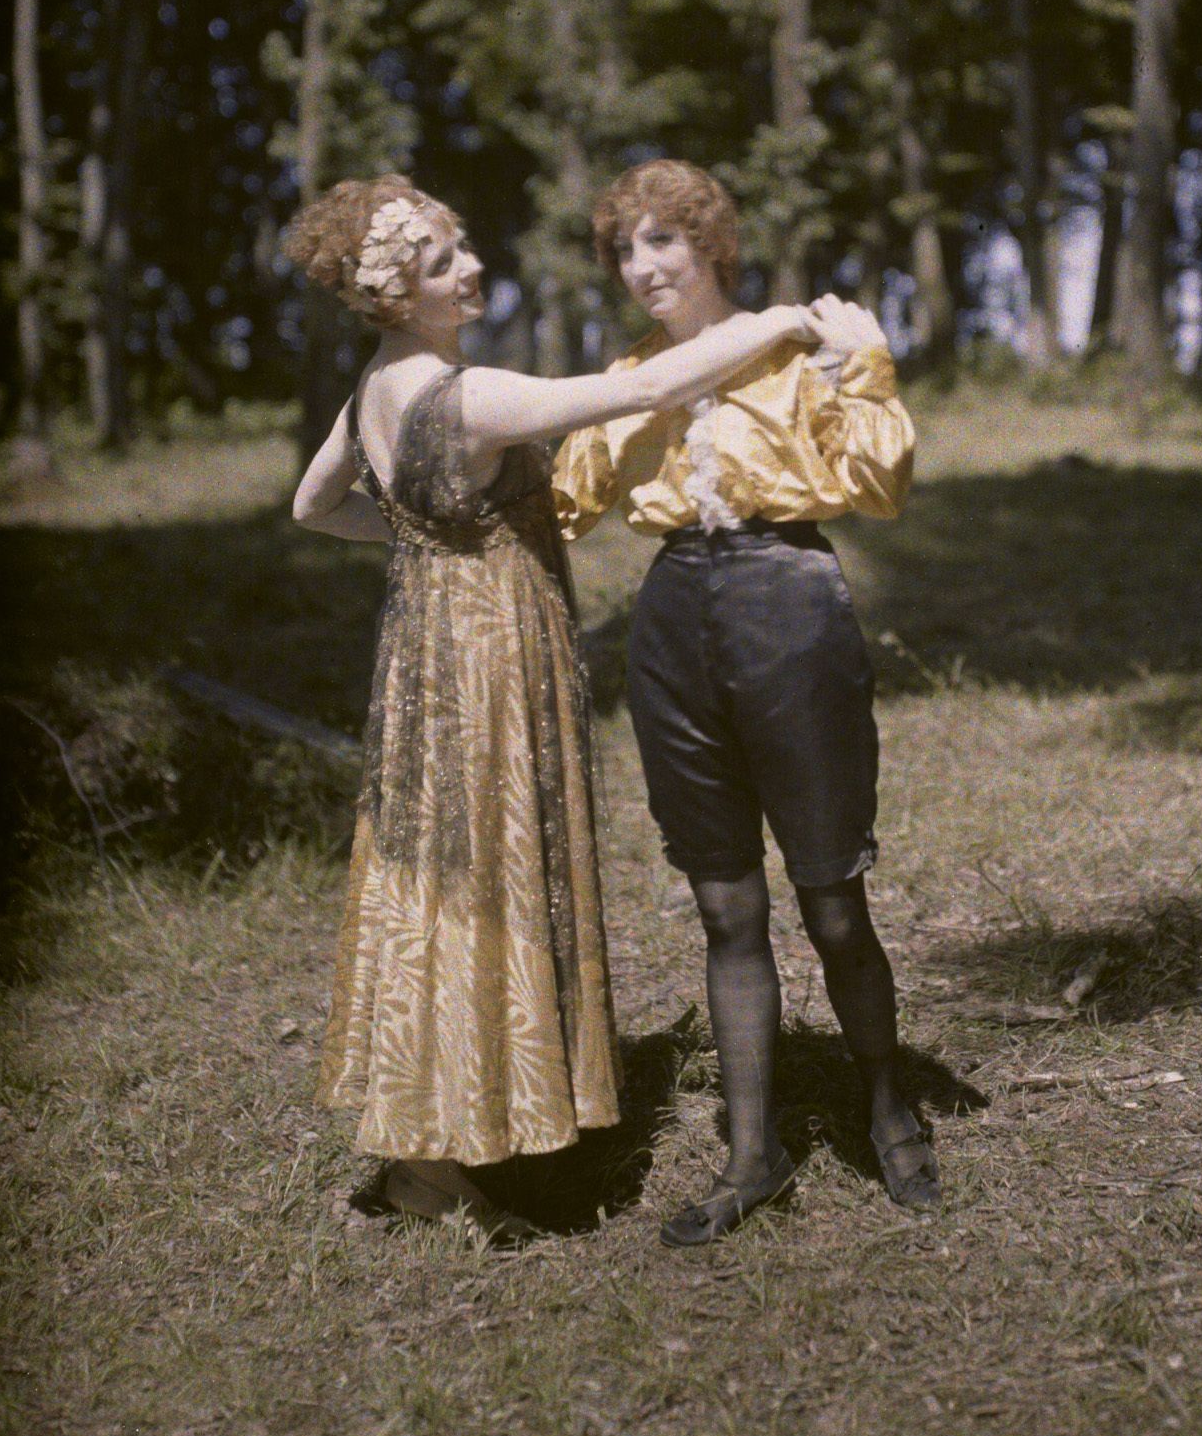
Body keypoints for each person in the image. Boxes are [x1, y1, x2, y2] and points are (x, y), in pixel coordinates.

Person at [288, 173, 822, 1241]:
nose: (470, 266)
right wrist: (778, 322)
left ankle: (429, 1137)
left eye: (461, 244)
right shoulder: (470, 395)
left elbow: (312, 506)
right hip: (491, 654)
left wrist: (423, 531)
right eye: (441, 261)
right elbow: (647, 387)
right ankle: (449, 1148)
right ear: (396, 295)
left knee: (435, 869)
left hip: (425, 646)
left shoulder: (371, 390)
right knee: (486, 865)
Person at [552, 159, 942, 1248]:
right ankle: (750, 1153)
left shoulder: (795, 350)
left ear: (711, 244)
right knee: (725, 906)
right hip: (673, 618)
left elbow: (880, 486)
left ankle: (887, 1104)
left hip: (790, 602)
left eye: (663, 240)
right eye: (624, 249)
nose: (642, 267)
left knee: (830, 898)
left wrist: (865, 365)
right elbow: (560, 504)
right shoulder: (626, 379)